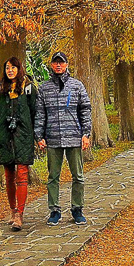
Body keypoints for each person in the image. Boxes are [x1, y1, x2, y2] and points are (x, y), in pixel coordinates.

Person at [34, 50, 92, 226]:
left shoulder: (77, 86)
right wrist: (39, 135)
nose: (58, 65)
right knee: (53, 176)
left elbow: (85, 110)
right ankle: (54, 210)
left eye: (61, 62)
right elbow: (40, 114)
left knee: (78, 176)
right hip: (53, 138)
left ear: (67, 65)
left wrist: (86, 134)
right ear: (51, 65)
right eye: (55, 62)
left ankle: (77, 208)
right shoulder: (44, 88)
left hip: (74, 137)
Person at [0, 56, 38, 231]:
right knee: (9, 176)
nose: (10, 71)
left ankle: (20, 214)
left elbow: (35, 112)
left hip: (23, 136)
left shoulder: (29, 88)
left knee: (22, 174)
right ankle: (12, 210)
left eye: (13, 67)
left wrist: (33, 133)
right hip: (5, 137)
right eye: (7, 68)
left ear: (19, 69)